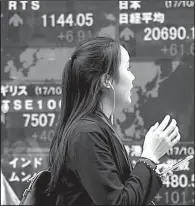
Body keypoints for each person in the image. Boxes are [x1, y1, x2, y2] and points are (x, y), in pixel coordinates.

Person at [47, 37, 180, 205]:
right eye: (128, 68)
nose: (132, 77)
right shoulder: (87, 133)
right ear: (106, 80)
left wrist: (151, 172)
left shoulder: (93, 127)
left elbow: (121, 195)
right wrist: (149, 157)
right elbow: (118, 202)